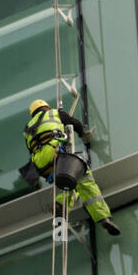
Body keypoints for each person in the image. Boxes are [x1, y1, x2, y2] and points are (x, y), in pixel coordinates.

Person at [19, 99, 119, 236]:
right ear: (46, 107)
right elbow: (75, 123)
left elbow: (31, 150)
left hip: (41, 164)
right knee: (83, 177)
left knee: (69, 181)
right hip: (54, 152)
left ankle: (61, 205)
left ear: (33, 113)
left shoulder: (27, 128)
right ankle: (103, 218)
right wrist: (84, 135)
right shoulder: (54, 113)